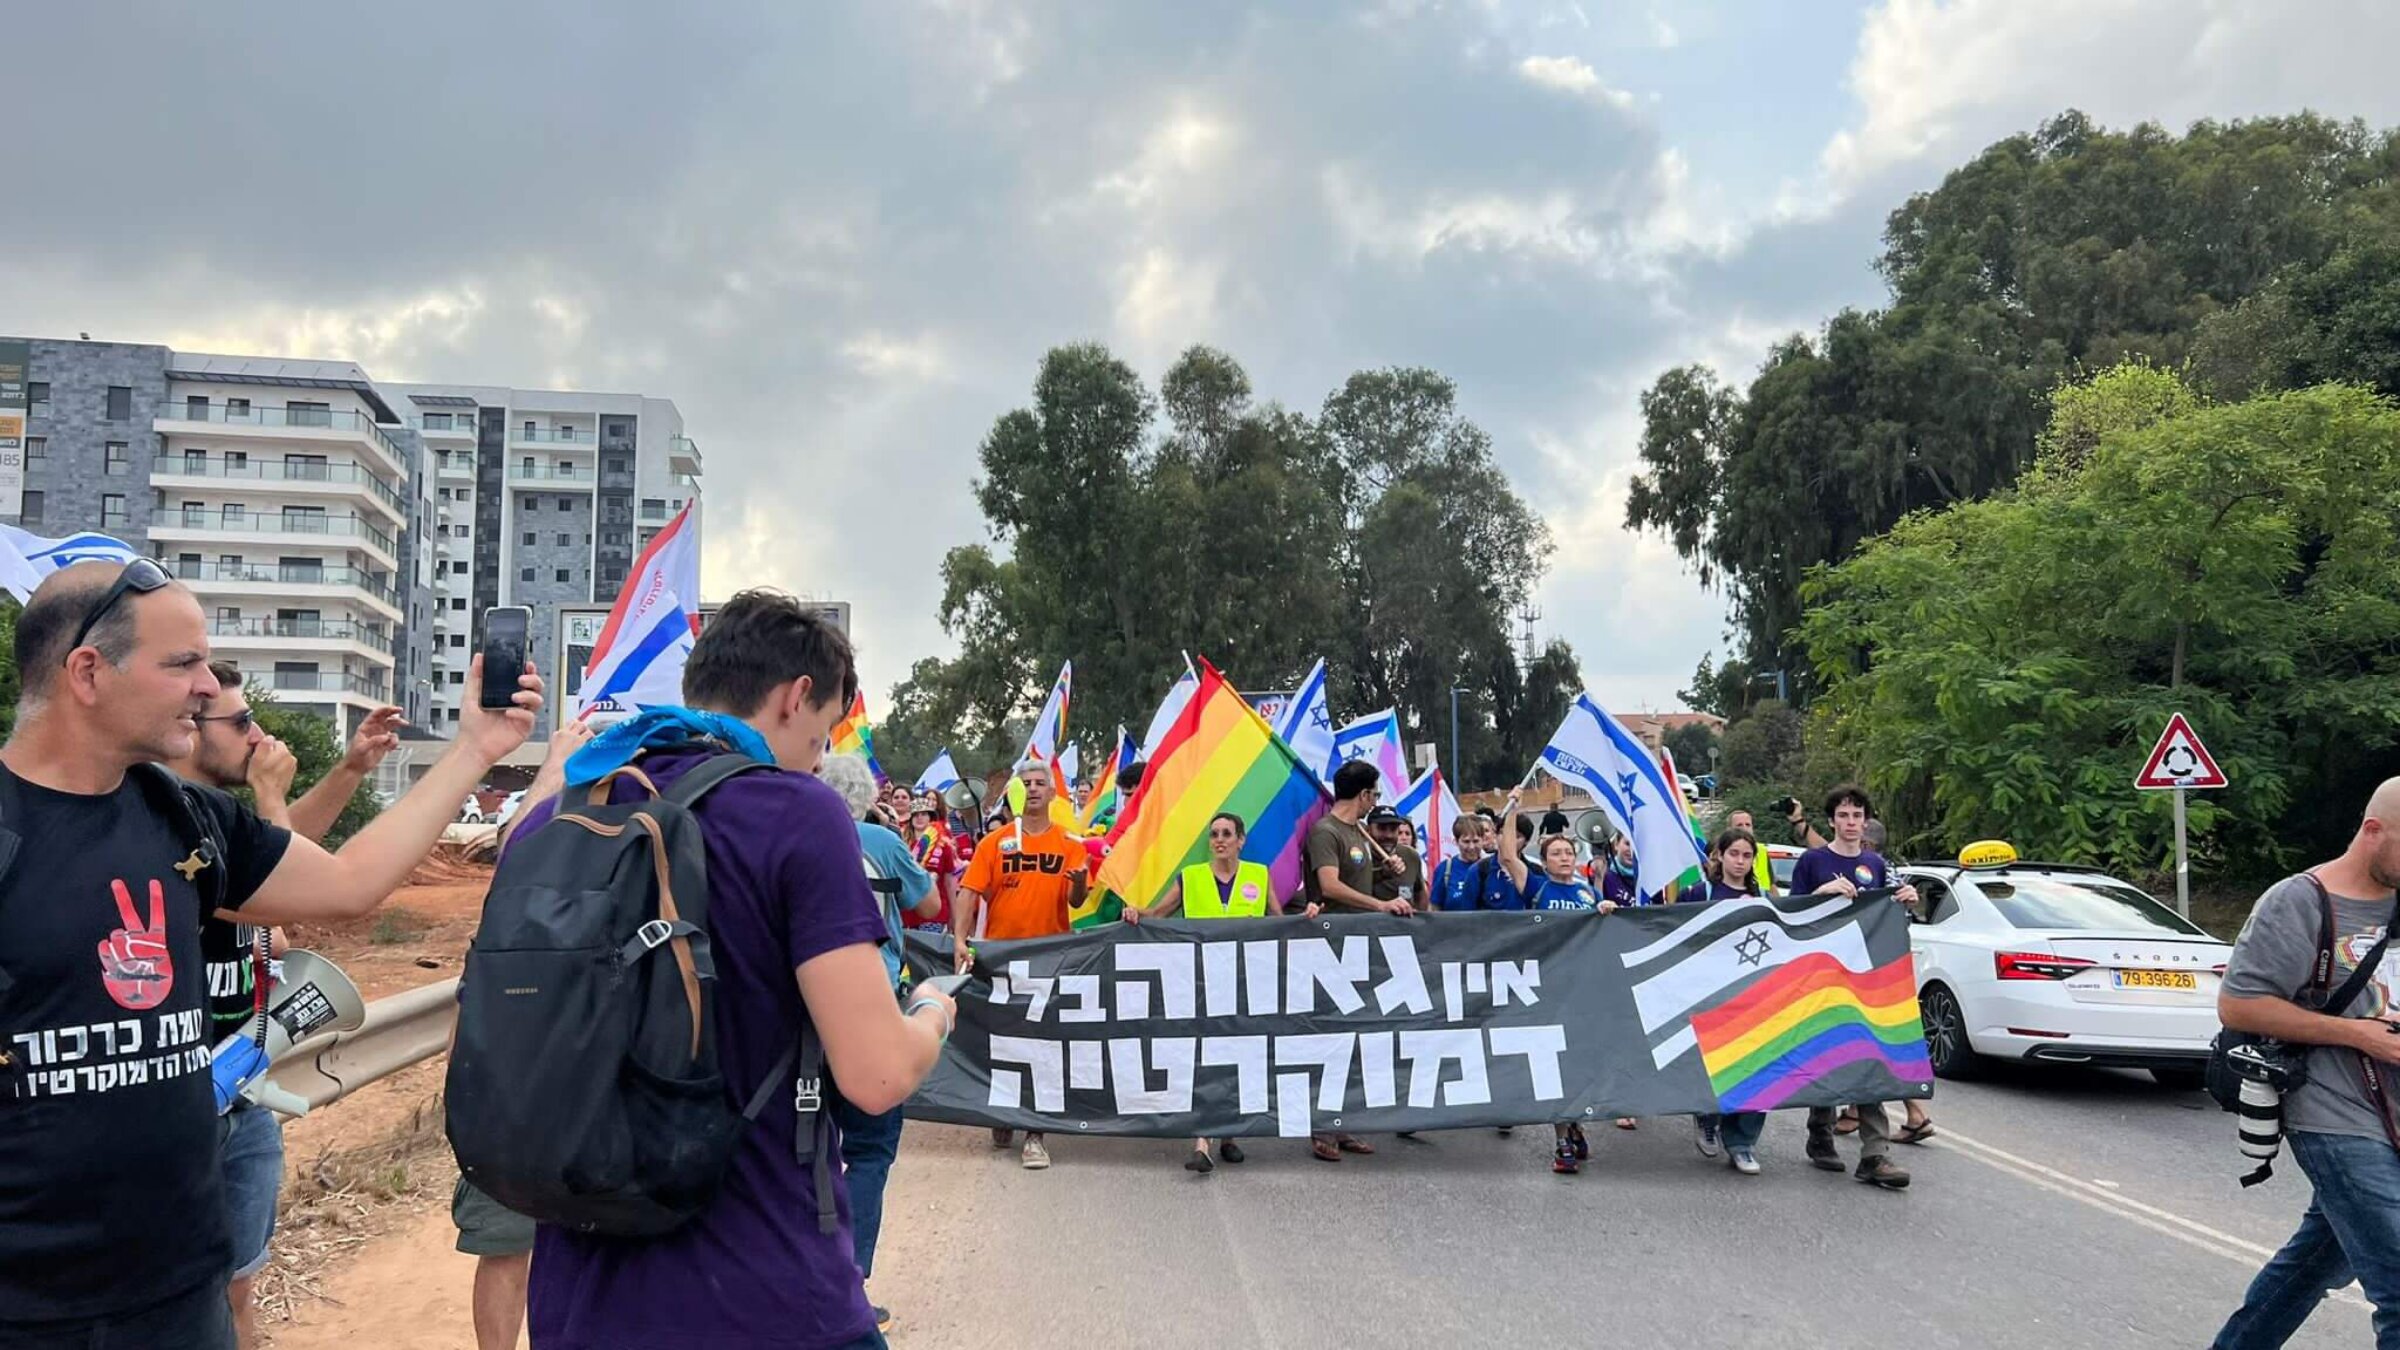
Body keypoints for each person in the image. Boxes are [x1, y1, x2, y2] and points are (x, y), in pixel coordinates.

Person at [0, 560, 538, 1350]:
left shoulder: (184, 817)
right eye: (180, 663)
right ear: (88, 671)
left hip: (183, 1293)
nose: (202, 686)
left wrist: (474, 749)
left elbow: (351, 883)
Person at [517, 590, 955, 1350]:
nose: (817, 761)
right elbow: (876, 1076)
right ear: (797, 698)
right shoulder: (797, 813)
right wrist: (932, 1014)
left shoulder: (556, 815)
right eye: (820, 740)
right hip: (762, 1290)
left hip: (580, 1296)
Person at [163, 664, 404, 1349]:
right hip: (188, 1093)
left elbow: (283, 854)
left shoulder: (224, 823)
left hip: (243, 1084)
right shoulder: (168, 819)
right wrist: (271, 795)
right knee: (189, 1292)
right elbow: (279, 909)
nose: (257, 735)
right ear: (191, 732)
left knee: (242, 1284)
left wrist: (352, 768)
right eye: (240, 724)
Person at [2210, 779, 2400, 1349]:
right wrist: (2356, 1036)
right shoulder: (2299, 901)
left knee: (2313, 1265)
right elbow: (2239, 1003)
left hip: (2392, 1113)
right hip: (2332, 1114)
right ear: (2373, 831)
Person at [454, 719, 592, 1350]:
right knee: (507, 1246)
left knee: (594, 1249)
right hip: (508, 1098)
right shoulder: (509, 905)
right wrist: (554, 764)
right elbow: (515, 844)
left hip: (585, 1095)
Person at [1123, 811, 1316, 1172]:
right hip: (1201, 981)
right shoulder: (1191, 877)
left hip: (1245, 982)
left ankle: (1229, 1135)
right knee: (1205, 1056)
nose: (1220, 840)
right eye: (1214, 834)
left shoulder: (1259, 875)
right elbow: (1159, 914)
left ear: (1241, 840)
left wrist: (1305, 916)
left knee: (1239, 1055)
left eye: (1227, 833)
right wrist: (1137, 913)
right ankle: (1203, 1140)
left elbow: (1278, 920)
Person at [820, 753, 940, 1336]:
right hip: (876, 1005)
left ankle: (805, 1276)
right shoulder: (883, 841)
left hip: (805, 1009)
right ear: (868, 796)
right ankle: (851, 1284)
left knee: (806, 1147)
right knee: (868, 1151)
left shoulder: (798, 834)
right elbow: (931, 905)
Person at [954, 760, 1087, 1170]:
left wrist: (1080, 880)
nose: (1032, 789)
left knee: (1041, 1046)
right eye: (1026, 783)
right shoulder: (994, 844)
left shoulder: (1069, 843)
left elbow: (1076, 901)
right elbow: (969, 892)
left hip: (1049, 958)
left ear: (1052, 793)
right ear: (1017, 793)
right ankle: (1003, 1113)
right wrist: (960, 939)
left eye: (1039, 783)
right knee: (1003, 1041)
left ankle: (1034, 1133)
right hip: (1001, 958)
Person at [1789, 784, 1919, 1190]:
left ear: (1866, 822)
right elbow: (1791, 916)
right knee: (1828, 1056)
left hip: (1865, 980)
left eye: (1857, 816)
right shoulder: (1812, 861)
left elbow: (1885, 912)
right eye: (1843, 816)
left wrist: (1904, 902)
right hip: (1821, 978)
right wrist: (1820, 893)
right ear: (1831, 820)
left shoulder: (1875, 864)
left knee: (1869, 1057)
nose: (1850, 823)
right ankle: (1820, 1131)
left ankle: (1874, 1154)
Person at [1301, 760, 1412, 1161]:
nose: (1375, 802)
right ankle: (1320, 1125)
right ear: (1364, 795)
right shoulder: (1325, 832)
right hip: (1330, 945)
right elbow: (1330, 884)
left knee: (1353, 1037)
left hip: (1358, 945)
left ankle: (1341, 1121)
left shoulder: (1358, 832)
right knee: (1329, 1037)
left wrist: (1385, 868)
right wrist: (1381, 905)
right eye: (1375, 794)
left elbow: (1356, 877)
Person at [1496, 809, 1610, 1169]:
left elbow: (1602, 932)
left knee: (1577, 1063)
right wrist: (1512, 810)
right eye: (1556, 854)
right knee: (1554, 1066)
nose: (1564, 858)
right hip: (1546, 987)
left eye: (1568, 853)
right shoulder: (1536, 886)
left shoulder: (1587, 891)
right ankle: (1561, 1141)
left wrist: (1606, 906)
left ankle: (1574, 1124)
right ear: (1543, 861)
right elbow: (1507, 856)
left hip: (1581, 990)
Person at [1693, 827, 1772, 1175]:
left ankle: (1742, 1142)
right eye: (1734, 854)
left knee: (1758, 1066)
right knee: (1714, 1064)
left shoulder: (1764, 897)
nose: (1740, 861)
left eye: (1746, 855)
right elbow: (1667, 931)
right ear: (1720, 856)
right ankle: (1707, 1117)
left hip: (1753, 994)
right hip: (1709, 993)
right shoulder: (1701, 892)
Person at [905, 796, 958, 931]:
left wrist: (954, 915)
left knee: (928, 951)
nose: (919, 818)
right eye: (915, 815)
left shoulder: (943, 846)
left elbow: (949, 883)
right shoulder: (902, 845)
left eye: (924, 814)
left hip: (935, 912)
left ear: (930, 817)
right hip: (907, 913)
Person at [1429, 815, 1490, 912]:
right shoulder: (1445, 869)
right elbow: (1435, 908)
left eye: (1476, 841)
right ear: (1456, 841)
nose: (1471, 847)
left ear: (1483, 840)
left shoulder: (1491, 867)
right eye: (1466, 842)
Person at [1367, 806, 1424, 911]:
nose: (1388, 835)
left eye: (1393, 829)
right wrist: (1381, 873)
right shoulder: (1361, 855)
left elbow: (1420, 894)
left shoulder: (1410, 855)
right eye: (1382, 828)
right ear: (1368, 830)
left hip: (1405, 926)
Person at [1600, 832, 1640, 907]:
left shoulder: (1650, 880)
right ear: (1616, 844)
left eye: (1637, 846)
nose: (1631, 850)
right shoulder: (1604, 878)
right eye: (1627, 844)